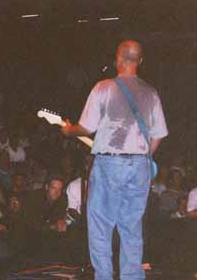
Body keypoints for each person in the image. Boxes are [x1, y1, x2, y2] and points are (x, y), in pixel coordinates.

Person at [62, 40, 168, 280]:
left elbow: (87, 128)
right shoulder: (151, 93)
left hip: (110, 163)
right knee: (131, 227)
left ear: (117, 60)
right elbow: (159, 136)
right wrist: (141, 156)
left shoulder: (104, 87)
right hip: (140, 164)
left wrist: (69, 130)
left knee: (101, 226)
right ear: (140, 61)